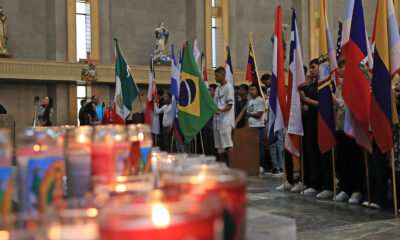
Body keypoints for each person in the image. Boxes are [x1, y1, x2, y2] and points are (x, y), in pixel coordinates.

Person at [299, 58, 334, 199]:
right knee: (312, 156)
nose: (311, 69)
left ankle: (329, 186)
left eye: (313, 67)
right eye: (311, 67)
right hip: (311, 125)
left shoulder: (325, 85)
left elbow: (323, 104)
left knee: (324, 157)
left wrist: (306, 100)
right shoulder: (312, 85)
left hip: (323, 124)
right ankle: (314, 184)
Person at [332, 58, 365, 203]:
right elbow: (337, 107)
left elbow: (346, 106)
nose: (338, 70)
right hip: (339, 127)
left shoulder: (354, 85)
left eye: (341, 67)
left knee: (354, 160)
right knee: (342, 160)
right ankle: (345, 188)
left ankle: (356, 190)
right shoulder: (340, 85)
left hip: (352, 128)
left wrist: (333, 98)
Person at [213, 67, 235, 165]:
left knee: (228, 145)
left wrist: (221, 110)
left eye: (217, 75)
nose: (215, 78)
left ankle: (231, 168)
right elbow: (215, 104)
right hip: (216, 121)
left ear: (223, 75)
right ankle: (222, 168)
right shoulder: (217, 88)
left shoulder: (228, 87)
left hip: (225, 121)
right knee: (219, 147)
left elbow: (230, 104)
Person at [247, 84, 266, 172]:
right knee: (252, 146)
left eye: (253, 89)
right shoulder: (250, 101)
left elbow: (259, 115)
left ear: (257, 90)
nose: (251, 91)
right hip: (251, 126)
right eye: (250, 89)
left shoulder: (260, 100)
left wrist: (250, 114)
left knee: (260, 146)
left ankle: (261, 165)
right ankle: (254, 164)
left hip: (259, 126)